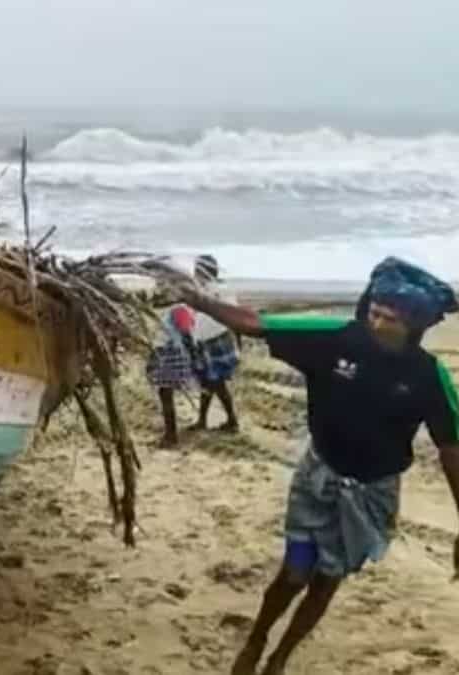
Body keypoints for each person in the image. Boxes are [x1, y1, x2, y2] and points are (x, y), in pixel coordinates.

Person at [181, 256, 459, 675]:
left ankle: (281, 655)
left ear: (415, 326)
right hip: (318, 477)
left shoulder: (427, 375)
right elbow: (255, 323)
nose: (377, 319)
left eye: (390, 317)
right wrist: (197, 300)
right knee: (294, 572)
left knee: (327, 580)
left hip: (371, 494)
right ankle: (258, 636)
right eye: (374, 309)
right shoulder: (336, 338)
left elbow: (451, 448)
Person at [188, 255, 241, 432]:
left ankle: (232, 421)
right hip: (204, 341)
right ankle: (204, 420)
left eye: (197, 270)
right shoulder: (201, 289)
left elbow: (233, 314)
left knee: (215, 382)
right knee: (207, 382)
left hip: (217, 339)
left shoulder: (221, 289)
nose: (195, 273)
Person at [146, 303, 197, 447]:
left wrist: (193, 354)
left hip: (171, 353)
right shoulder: (176, 309)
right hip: (167, 352)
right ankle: (170, 434)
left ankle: (171, 436)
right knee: (165, 394)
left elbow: (186, 331)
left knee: (166, 394)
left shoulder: (180, 308)